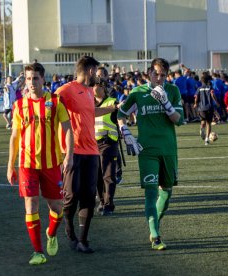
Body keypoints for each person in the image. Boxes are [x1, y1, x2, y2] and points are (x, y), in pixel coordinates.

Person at [7, 63, 74, 265]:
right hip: (27, 164)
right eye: (28, 78)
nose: (32, 82)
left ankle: (51, 233)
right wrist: (10, 165)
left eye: (35, 78)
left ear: (43, 79)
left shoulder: (55, 101)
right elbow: (15, 136)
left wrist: (69, 155)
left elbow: (68, 129)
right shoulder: (19, 105)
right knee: (31, 203)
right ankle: (38, 252)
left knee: (57, 206)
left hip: (52, 163)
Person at [117, 58, 184, 250]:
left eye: (163, 75)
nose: (159, 78)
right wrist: (126, 132)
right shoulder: (138, 93)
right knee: (150, 192)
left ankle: (154, 224)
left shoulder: (172, 91)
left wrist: (166, 104)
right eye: (156, 74)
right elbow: (120, 115)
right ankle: (155, 236)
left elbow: (179, 120)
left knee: (166, 193)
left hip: (169, 149)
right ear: (149, 74)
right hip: (147, 150)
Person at [55, 56, 114, 253]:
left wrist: (112, 108)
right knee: (71, 196)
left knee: (89, 196)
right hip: (72, 151)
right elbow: (51, 108)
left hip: (92, 151)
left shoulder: (89, 91)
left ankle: (83, 240)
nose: (97, 76)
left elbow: (90, 112)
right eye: (96, 72)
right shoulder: (66, 89)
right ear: (89, 71)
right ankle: (69, 229)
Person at [93, 77, 119, 216]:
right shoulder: (88, 102)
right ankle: (102, 202)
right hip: (91, 144)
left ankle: (109, 204)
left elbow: (120, 118)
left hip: (108, 142)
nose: (91, 88)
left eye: (94, 85)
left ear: (102, 87)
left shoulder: (112, 102)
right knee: (96, 176)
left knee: (108, 175)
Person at [194, 74, 219, 145]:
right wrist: (216, 102)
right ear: (208, 81)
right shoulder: (210, 88)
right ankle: (207, 139)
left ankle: (202, 129)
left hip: (201, 108)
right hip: (209, 107)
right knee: (208, 123)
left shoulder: (199, 88)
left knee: (203, 121)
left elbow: (196, 97)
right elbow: (212, 95)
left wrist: (195, 103)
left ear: (201, 81)